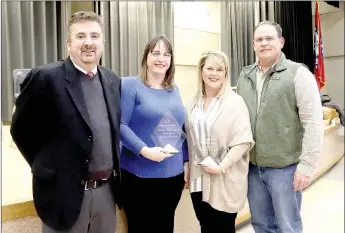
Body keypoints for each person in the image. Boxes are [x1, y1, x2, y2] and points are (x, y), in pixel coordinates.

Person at [10, 11, 121, 233]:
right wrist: (48, 167)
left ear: (103, 42)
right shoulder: (45, 78)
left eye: (94, 36)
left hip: (106, 193)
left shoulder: (112, 80)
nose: (88, 42)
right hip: (63, 194)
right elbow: (21, 130)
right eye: (80, 36)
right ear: (69, 44)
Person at [236, 21, 323, 233]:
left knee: (288, 226)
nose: (264, 43)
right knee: (261, 225)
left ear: (281, 42)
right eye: (259, 40)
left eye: (269, 38)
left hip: (285, 170)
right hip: (253, 169)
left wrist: (307, 166)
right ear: (253, 44)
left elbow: (313, 122)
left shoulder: (299, 74)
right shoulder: (244, 75)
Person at [120, 35, 188, 233]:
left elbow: (177, 128)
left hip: (172, 176)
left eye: (166, 54)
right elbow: (120, 124)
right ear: (146, 57)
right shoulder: (130, 85)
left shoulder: (174, 89)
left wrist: (185, 161)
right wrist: (144, 150)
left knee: (165, 227)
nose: (161, 58)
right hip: (138, 175)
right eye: (156, 53)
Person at [184, 51, 255, 233]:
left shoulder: (235, 102)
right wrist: (186, 164)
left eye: (219, 69)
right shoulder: (193, 102)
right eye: (209, 68)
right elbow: (187, 137)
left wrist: (221, 166)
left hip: (224, 178)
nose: (214, 73)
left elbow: (243, 142)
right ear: (201, 71)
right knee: (205, 226)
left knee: (222, 228)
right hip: (198, 178)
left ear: (225, 73)